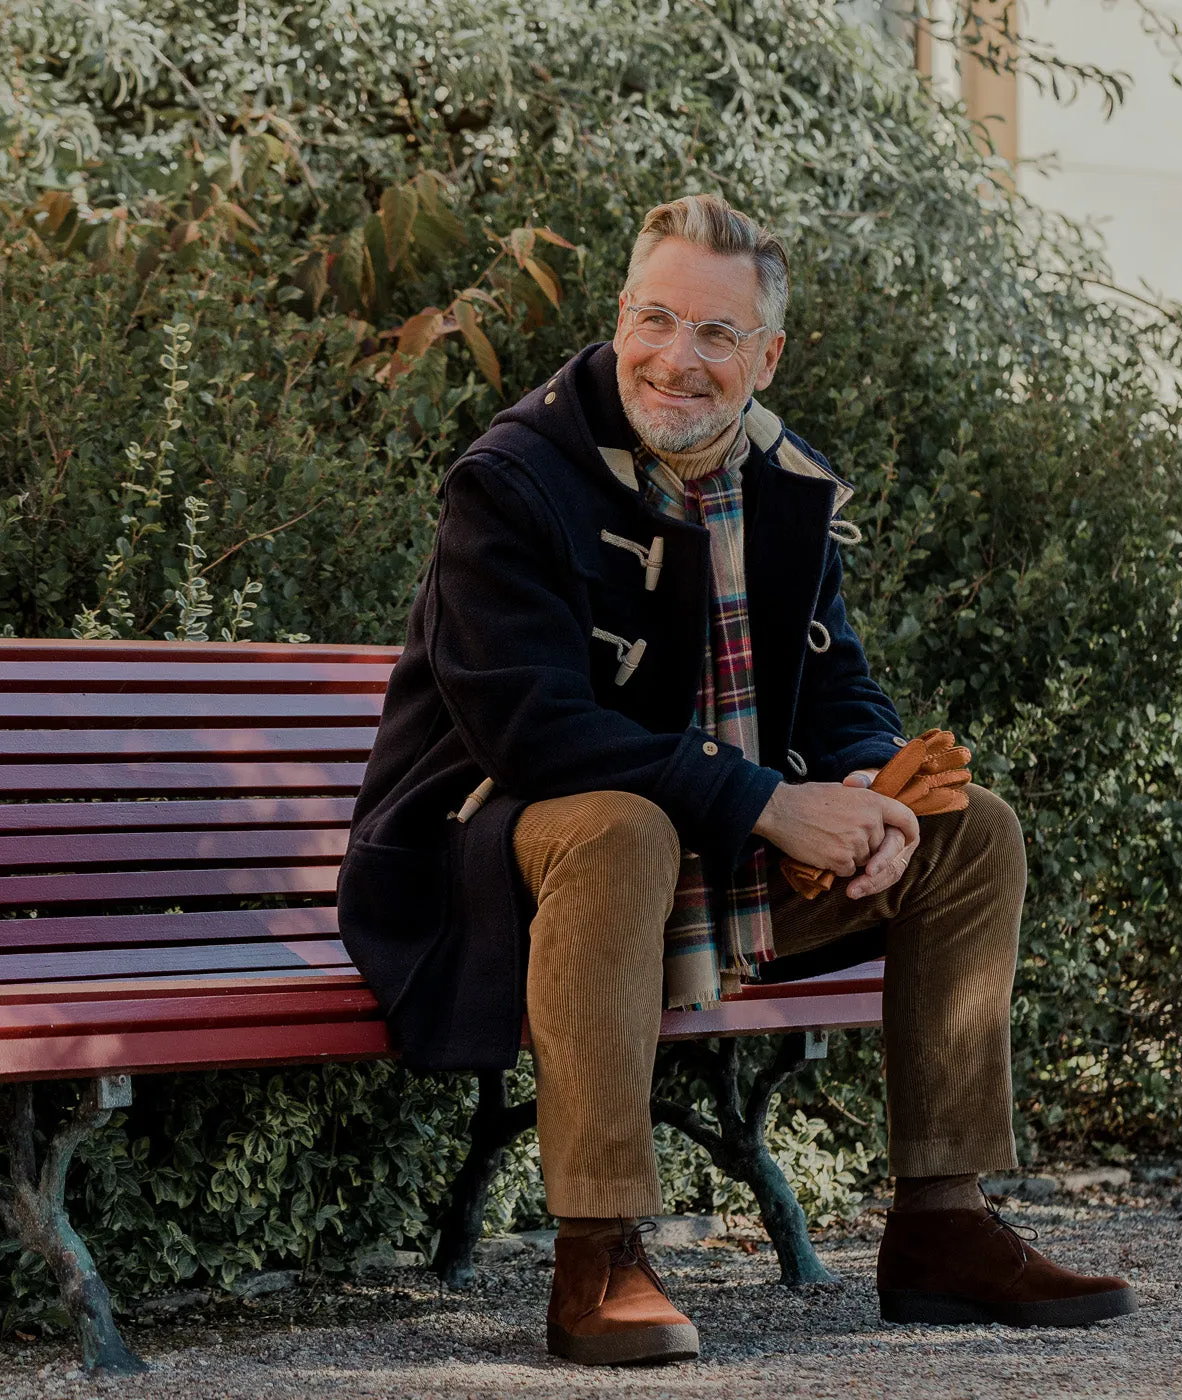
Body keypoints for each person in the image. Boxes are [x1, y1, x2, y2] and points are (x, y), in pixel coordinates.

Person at [338, 193, 1136, 1367]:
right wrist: (767, 801)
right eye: (655, 319)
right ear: (619, 316)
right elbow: (531, 732)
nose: (678, 358)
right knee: (617, 829)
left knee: (972, 828)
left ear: (765, 355)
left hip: (706, 862)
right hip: (493, 871)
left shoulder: (784, 481)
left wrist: (870, 785)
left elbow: (836, 685)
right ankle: (596, 1249)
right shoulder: (512, 480)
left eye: (716, 334)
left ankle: (940, 1223)